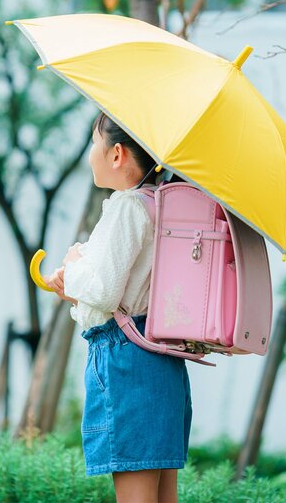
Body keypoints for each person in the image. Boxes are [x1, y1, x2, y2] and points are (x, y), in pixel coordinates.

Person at [45, 112, 192, 503]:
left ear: (117, 154)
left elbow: (106, 292)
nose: (91, 153)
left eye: (95, 143)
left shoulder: (128, 207)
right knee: (163, 496)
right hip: (159, 359)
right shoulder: (162, 204)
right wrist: (77, 287)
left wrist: (73, 267)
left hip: (128, 361)